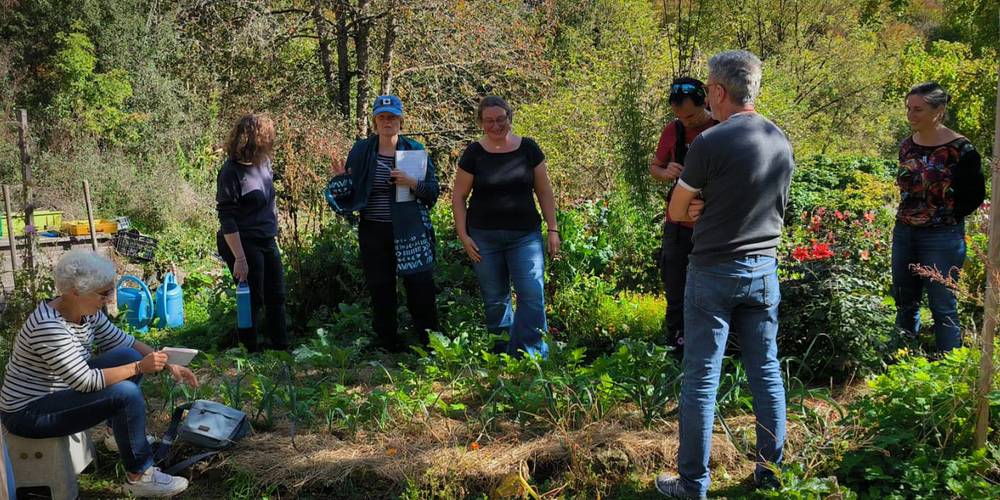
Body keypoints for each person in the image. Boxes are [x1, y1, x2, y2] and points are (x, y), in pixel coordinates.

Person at [656, 50, 794, 498]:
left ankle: (693, 483)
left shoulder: (708, 143)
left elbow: (678, 210)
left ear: (718, 91)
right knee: (766, 371)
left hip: (714, 269)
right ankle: (770, 473)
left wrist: (700, 205)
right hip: (763, 268)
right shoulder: (779, 138)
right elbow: (771, 205)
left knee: (701, 377)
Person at [0, 250, 199, 497]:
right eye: (103, 293)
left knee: (129, 356)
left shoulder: (83, 313)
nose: (109, 299)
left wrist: (170, 363)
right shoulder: (48, 327)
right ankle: (139, 476)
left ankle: (115, 434)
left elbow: (125, 343)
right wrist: (139, 368)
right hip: (27, 413)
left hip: (57, 392)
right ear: (75, 291)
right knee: (126, 393)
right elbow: (85, 382)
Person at [330, 95, 441, 352]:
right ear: (375, 122)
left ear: (401, 120)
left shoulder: (414, 149)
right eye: (382, 117)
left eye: (392, 117)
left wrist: (411, 183)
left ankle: (430, 342)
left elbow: (433, 193)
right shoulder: (361, 150)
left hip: (410, 229)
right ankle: (388, 342)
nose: (387, 122)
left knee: (419, 285)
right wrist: (340, 181)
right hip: (373, 229)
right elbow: (350, 195)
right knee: (380, 285)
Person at [452, 96, 560, 358]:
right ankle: (502, 357)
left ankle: (532, 357)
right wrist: (464, 236)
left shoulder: (529, 149)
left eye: (501, 119)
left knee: (532, 294)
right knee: (496, 299)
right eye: (489, 120)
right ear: (481, 123)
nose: (496, 125)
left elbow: (544, 192)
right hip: (483, 239)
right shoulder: (474, 154)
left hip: (525, 237)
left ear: (510, 118)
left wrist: (553, 230)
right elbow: (458, 197)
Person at [892, 82, 986, 352]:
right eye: (909, 108)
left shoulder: (961, 149)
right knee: (904, 300)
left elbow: (974, 195)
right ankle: (903, 359)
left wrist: (945, 215)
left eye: (918, 109)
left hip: (942, 236)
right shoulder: (907, 146)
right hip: (905, 231)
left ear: (939, 110)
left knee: (943, 304)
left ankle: (947, 369)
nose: (911, 115)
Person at [649, 77, 718, 354]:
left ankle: (716, 350)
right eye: (680, 116)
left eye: (691, 115)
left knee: (713, 292)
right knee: (676, 291)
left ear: (707, 102)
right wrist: (665, 173)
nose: (686, 121)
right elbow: (655, 166)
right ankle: (677, 349)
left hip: (713, 227)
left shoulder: (721, 128)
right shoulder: (673, 131)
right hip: (677, 226)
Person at [216, 113, 289, 352]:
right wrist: (239, 258)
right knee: (252, 298)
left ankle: (281, 347)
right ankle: (250, 350)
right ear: (255, 140)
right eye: (268, 137)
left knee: (276, 295)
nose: (272, 142)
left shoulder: (264, 163)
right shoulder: (230, 172)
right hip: (242, 242)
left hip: (266, 239)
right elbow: (227, 218)